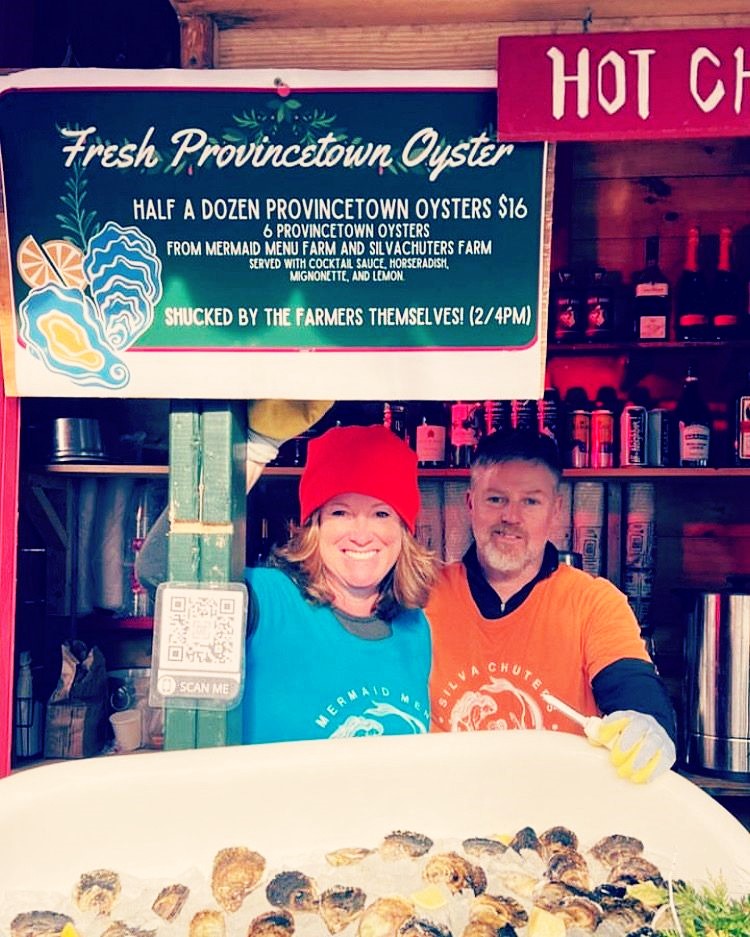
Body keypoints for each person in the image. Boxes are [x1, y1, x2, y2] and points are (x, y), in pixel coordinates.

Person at [426, 429, 677, 783]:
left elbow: (633, 687)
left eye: (531, 501)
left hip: (561, 812)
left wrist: (649, 723)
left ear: (555, 510)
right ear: (470, 503)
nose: (511, 517)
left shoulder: (594, 602)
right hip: (447, 806)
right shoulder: (423, 594)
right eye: (496, 499)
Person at [243, 423, 438, 743]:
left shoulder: (414, 627)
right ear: (314, 525)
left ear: (404, 531)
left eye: (381, 514)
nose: (361, 535)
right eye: (341, 513)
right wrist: (253, 454)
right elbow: (160, 571)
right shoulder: (267, 600)